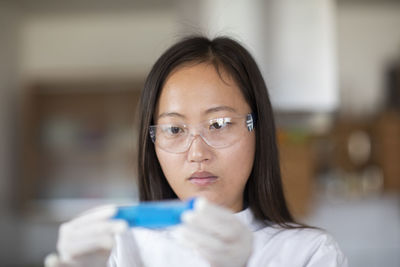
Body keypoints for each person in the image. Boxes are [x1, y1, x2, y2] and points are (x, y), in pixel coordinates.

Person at [45, 36, 348, 267]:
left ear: (258, 129)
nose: (197, 153)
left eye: (219, 124)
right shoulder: (126, 249)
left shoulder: (309, 253)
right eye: (175, 130)